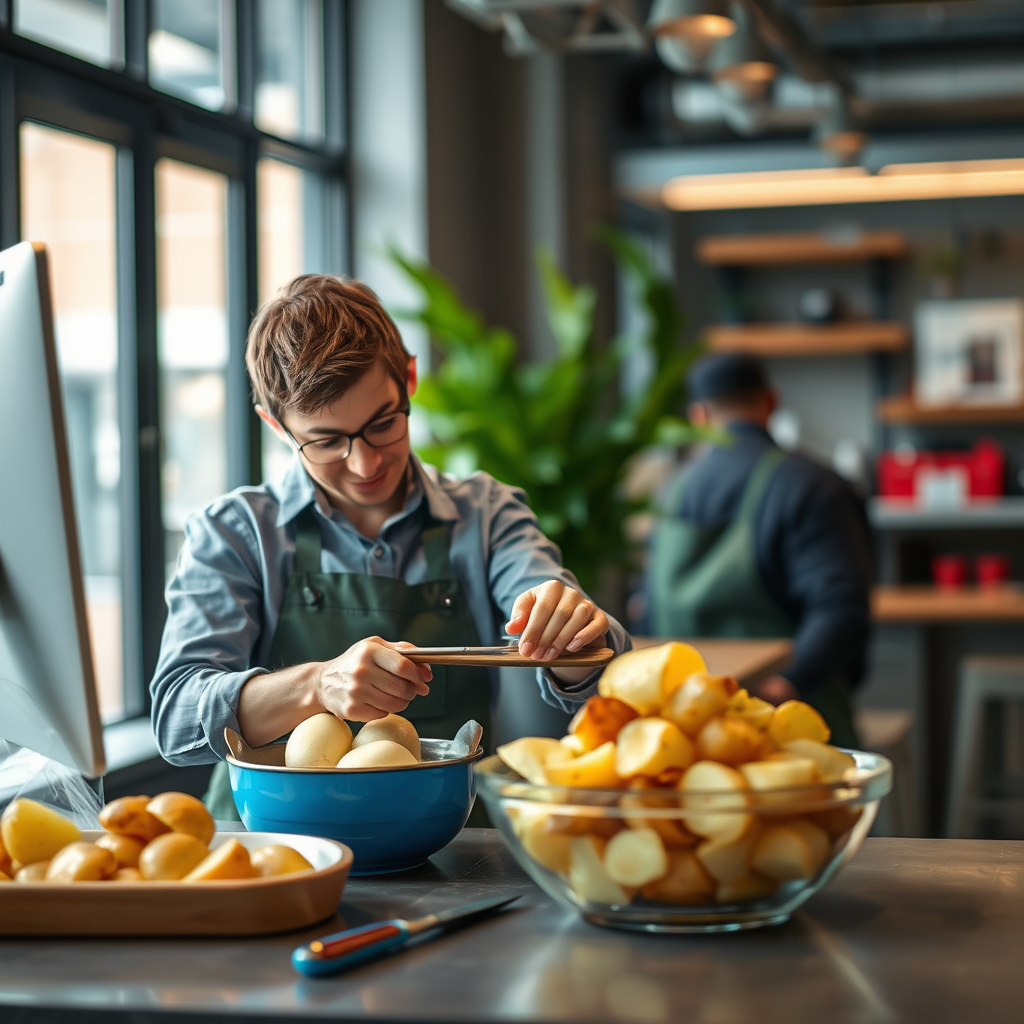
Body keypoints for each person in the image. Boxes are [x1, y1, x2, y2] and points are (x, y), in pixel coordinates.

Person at [150, 274, 629, 818]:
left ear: (409, 378)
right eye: (326, 441)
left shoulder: (487, 515)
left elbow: (607, 667)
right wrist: (316, 683)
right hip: (268, 847)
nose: (365, 464)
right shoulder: (235, 532)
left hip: (451, 848)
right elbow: (178, 718)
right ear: (277, 427)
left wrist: (570, 632)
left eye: (383, 424)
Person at [646, 352, 872, 747]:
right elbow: (842, 609)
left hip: (684, 736)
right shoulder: (814, 486)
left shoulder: (671, 491)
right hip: (791, 726)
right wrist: (785, 685)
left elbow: (646, 610)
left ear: (698, 417)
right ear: (770, 402)